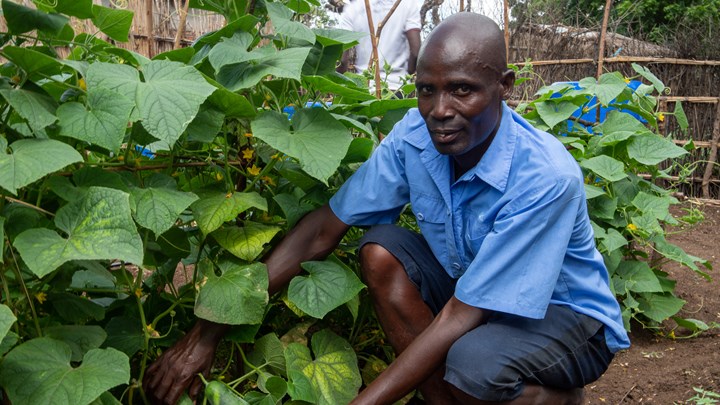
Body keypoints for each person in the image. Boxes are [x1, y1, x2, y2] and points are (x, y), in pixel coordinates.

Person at [144, 12, 630, 405]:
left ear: (504, 85)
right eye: (426, 89)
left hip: (565, 318)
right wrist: (208, 332)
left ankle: (555, 400)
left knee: (475, 366)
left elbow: (461, 316)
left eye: (462, 89)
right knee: (381, 249)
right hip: (476, 300)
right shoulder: (416, 138)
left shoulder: (544, 176)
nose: (440, 109)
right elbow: (323, 229)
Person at [336, 0, 421, 92]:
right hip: (397, 88)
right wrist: (407, 73)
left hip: (364, 88)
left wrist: (339, 87)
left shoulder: (352, 8)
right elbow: (416, 52)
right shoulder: (407, 4)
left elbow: (342, 59)